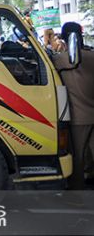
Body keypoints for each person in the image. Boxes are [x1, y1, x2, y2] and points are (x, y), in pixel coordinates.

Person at [52, 22, 94, 190]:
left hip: (78, 117)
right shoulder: (92, 56)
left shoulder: (61, 59)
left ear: (64, 38)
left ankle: (77, 191)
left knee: (77, 156)